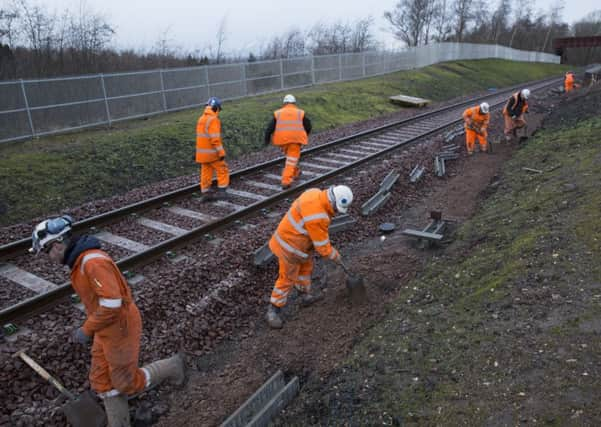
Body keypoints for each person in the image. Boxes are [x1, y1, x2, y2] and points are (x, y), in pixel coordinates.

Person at [30, 215, 186, 427]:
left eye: (46, 251)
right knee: (101, 380)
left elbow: (112, 303)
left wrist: (86, 329)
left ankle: (171, 366)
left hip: (120, 327)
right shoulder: (79, 262)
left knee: (126, 384)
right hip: (105, 327)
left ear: (56, 245)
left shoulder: (92, 263)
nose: (48, 258)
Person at [265, 185, 353, 329]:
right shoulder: (319, 217)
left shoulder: (315, 192)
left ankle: (304, 296)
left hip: (300, 244)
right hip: (289, 246)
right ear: (333, 202)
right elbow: (323, 248)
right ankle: (273, 310)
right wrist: (336, 256)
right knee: (287, 278)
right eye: (337, 209)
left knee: (306, 268)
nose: (336, 213)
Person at [264, 94, 312, 190]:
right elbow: (308, 125)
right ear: (294, 103)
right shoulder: (299, 112)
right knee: (291, 161)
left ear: (284, 103)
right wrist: (304, 134)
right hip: (295, 140)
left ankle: (296, 172)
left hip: (283, 141)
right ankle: (286, 181)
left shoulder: (278, 113)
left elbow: (270, 127)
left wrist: (267, 139)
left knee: (290, 158)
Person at [196, 96, 230, 201]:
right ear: (215, 108)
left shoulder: (201, 119)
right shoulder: (213, 120)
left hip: (202, 154)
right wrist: (221, 153)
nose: (218, 112)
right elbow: (215, 139)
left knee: (206, 173)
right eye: (218, 109)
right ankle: (222, 193)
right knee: (222, 169)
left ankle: (205, 194)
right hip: (212, 153)